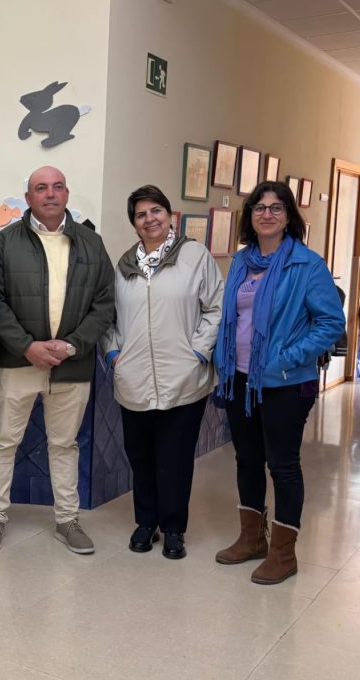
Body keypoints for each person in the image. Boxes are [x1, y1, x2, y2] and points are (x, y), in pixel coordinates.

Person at [0, 165, 115, 555]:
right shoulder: (4, 242)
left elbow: (104, 303)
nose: (50, 194)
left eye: (57, 187)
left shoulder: (91, 242)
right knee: (3, 442)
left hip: (72, 364)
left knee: (65, 445)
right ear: (28, 198)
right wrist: (27, 347)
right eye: (41, 188)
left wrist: (71, 346)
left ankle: (68, 520)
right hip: (18, 362)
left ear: (67, 194)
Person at [213, 180, 345, 584]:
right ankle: (252, 539)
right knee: (247, 459)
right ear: (249, 216)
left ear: (289, 217)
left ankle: (284, 555)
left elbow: (331, 324)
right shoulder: (242, 261)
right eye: (259, 207)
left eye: (276, 208)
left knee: (283, 465)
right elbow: (233, 317)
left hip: (286, 382)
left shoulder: (308, 265)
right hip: (240, 379)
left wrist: (285, 357)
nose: (267, 214)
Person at [103, 185, 223, 560]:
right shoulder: (124, 265)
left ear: (170, 216)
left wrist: (198, 351)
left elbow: (216, 308)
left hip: (184, 378)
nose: (150, 219)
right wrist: (114, 353)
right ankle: (145, 522)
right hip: (134, 378)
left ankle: (173, 528)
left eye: (156, 210)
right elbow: (108, 316)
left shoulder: (195, 256)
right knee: (140, 456)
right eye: (141, 214)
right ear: (134, 224)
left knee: (174, 457)